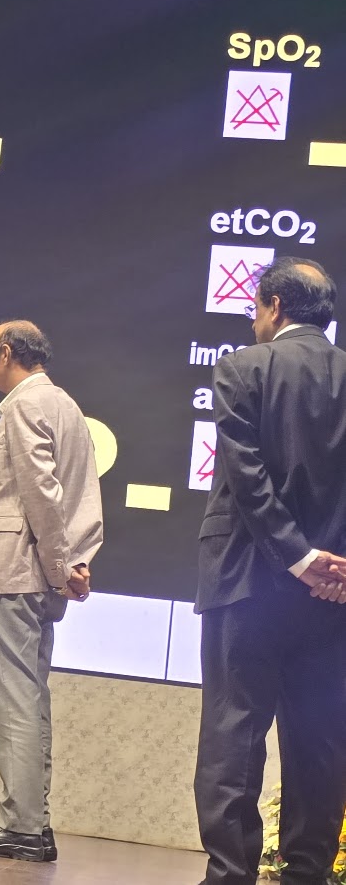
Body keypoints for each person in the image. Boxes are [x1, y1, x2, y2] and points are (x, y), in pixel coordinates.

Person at [194, 258, 346, 885]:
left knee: (234, 734)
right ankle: (308, 875)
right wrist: (326, 565)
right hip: (335, 594)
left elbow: (248, 479)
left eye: (254, 307)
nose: (252, 320)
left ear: (275, 306)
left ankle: (230, 875)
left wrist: (297, 557)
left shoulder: (242, 368)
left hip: (246, 581)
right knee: (321, 739)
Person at [0, 321, 103, 863]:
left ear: (7, 353)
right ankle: (33, 824)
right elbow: (80, 496)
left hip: (11, 572)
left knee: (13, 702)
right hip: (35, 572)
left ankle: (19, 825)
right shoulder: (67, 406)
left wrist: (60, 566)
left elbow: (41, 493)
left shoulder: (24, 405)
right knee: (30, 701)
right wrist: (73, 563)